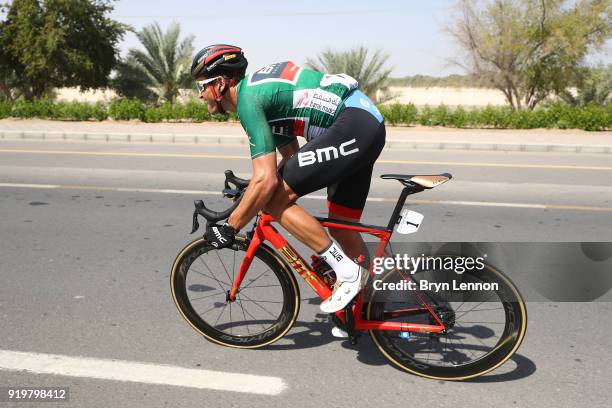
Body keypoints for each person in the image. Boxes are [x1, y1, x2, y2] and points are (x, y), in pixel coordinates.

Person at [192, 44, 385, 315]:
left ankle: (347, 271)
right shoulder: (260, 93)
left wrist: (230, 227)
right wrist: (253, 189)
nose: (200, 95)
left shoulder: (248, 100)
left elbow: (268, 181)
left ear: (221, 83)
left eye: (202, 86)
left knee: (274, 202)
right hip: (363, 124)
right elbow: (292, 157)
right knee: (343, 227)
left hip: (352, 125)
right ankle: (377, 303)